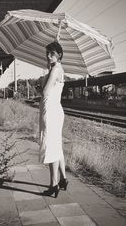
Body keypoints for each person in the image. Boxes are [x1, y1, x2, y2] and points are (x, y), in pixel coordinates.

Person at [39, 41, 68, 198]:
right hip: (55, 110)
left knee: (51, 146)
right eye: (47, 52)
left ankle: (54, 184)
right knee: (57, 145)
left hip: (50, 111)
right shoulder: (57, 69)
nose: (48, 55)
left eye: (51, 53)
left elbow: (44, 92)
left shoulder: (55, 70)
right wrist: (49, 68)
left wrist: (41, 84)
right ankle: (63, 179)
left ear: (59, 55)